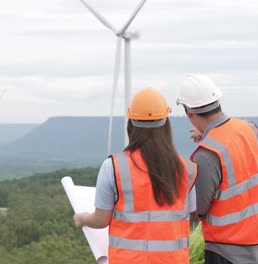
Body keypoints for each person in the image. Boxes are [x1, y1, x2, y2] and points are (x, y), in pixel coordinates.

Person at [73, 87, 198, 264]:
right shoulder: (187, 169)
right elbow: (193, 218)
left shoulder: (113, 166)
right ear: (166, 122)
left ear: (131, 123)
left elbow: (101, 220)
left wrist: (82, 218)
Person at [176, 74, 258, 264]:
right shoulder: (247, 129)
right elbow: (248, 129)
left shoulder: (206, 155)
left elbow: (199, 207)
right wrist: (207, 131)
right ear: (217, 101)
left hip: (229, 248)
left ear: (189, 113)